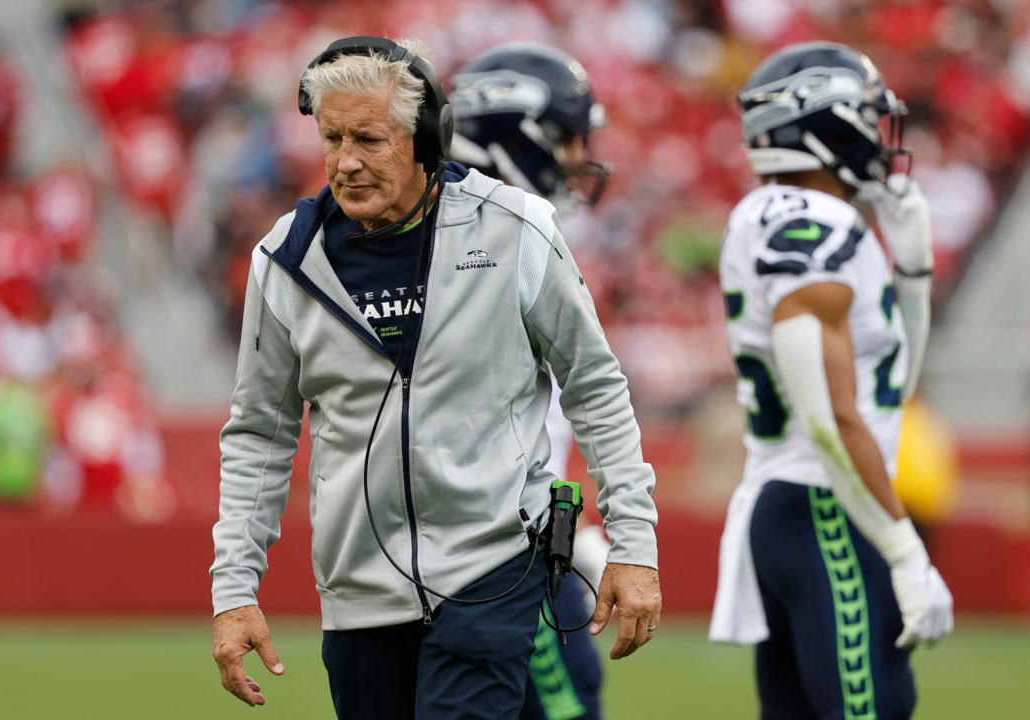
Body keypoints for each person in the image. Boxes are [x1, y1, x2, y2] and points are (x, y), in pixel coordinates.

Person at [209, 36, 661, 720]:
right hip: (358, 594)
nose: (347, 161)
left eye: (370, 138)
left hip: (494, 571)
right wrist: (234, 591)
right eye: (332, 138)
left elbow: (594, 386)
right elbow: (259, 437)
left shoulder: (516, 228)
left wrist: (634, 545)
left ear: (427, 139)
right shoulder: (285, 260)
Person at [708, 42, 954, 719]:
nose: (880, 136)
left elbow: (891, 383)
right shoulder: (814, 225)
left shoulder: (771, 216)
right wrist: (906, 549)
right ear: (827, 124)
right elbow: (830, 418)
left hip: (802, 504)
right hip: (827, 509)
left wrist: (913, 274)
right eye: (868, 118)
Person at [448, 42, 613, 720]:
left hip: (530, 537)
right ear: (520, 138)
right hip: (499, 553)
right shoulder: (476, 244)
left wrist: (576, 534)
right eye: (570, 138)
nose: (580, 157)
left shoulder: (510, 234)